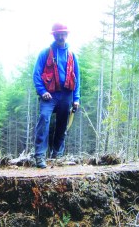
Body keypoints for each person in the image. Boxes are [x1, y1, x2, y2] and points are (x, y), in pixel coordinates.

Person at [33, 22, 80, 168]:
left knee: (62, 124)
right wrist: (42, 91)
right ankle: (40, 156)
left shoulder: (72, 55)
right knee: (44, 119)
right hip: (49, 95)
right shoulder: (45, 53)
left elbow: (77, 78)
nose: (61, 36)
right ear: (54, 35)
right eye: (58, 34)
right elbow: (36, 74)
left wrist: (76, 98)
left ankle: (57, 155)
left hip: (66, 95)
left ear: (66, 35)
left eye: (63, 33)